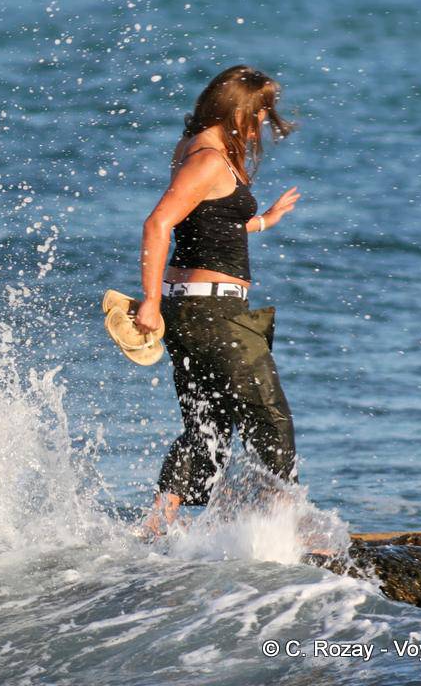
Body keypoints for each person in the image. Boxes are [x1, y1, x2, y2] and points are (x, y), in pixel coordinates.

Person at [134, 65, 301, 537]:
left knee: (207, 428)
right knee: (270, 418)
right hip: (212, 313)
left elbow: (208, 224)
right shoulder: (208, 158)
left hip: (195, 309)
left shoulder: (194, 148)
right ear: (237, 110)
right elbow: (158, 223)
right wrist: (149, 301)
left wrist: (264, 221)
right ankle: (282, 533)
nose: (262, 124)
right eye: (259, 114)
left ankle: (156, 526)